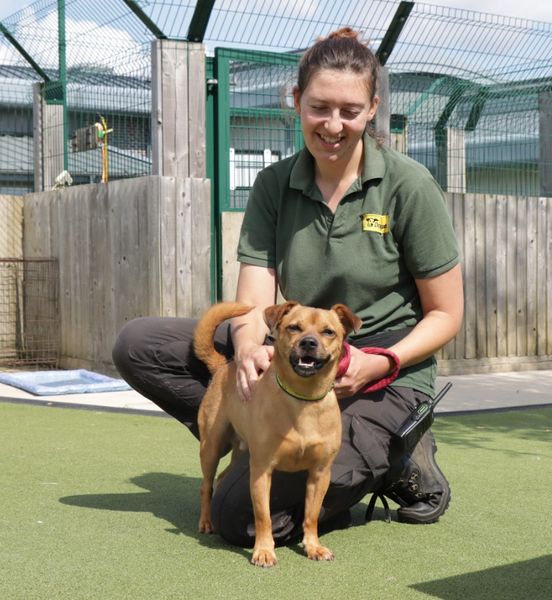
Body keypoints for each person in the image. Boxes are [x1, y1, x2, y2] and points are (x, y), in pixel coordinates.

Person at [112, 27, 464, 548]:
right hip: (294, 350)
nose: (334, 125)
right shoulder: (274, 184)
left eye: (350, 110)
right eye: (320, 107)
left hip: (383, 372)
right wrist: (252, 348)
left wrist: (380, 363)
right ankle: (252, 436)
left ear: (372, 110)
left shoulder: (410, 187)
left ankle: (397, 458)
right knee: (139, 345)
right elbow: (253, 301)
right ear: (296, 101)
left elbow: (446, 314)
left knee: (240, 520)